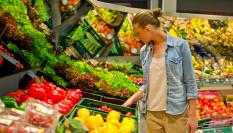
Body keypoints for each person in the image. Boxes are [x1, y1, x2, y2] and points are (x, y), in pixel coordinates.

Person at [122, 8, 198, 133]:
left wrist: (192, 115)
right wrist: (129, 101)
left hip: (176, 114)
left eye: (138, 33)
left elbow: (190, 81)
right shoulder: (144, 51)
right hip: (152, 114)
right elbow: (148, 85)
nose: (137, 38)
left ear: (147, 29)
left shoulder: (180, 46)